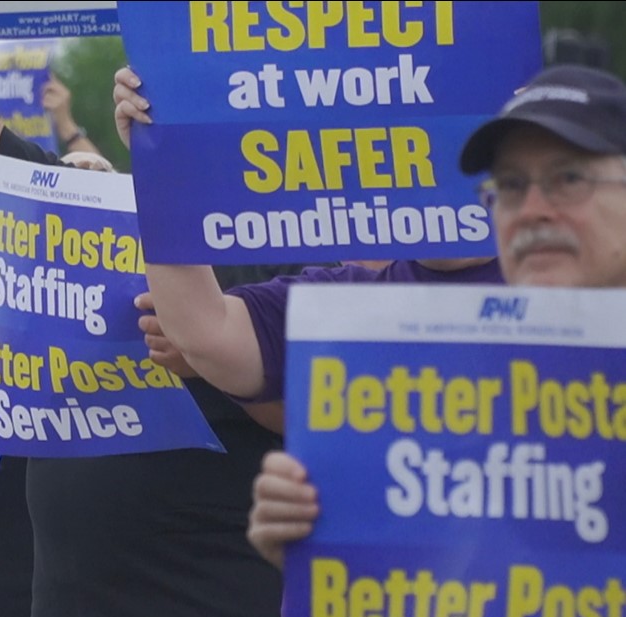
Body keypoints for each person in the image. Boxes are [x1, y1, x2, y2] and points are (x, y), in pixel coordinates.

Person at [0, 3, 317, 617]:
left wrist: (207, 353)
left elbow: (319, 417)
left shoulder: (286, 245)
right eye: (149, 93)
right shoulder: (91, 219)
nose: (152, 107)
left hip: (214, 615)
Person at [246, 63, 626, 568]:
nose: (532, 209)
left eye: (569, 178)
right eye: (510, 186)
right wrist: (325, 552)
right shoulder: (440, 397)